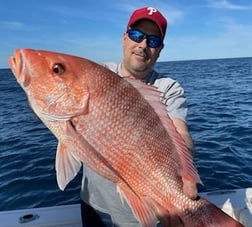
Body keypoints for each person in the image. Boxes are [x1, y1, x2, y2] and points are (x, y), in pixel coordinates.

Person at [80, 6, 196, 227]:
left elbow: (180, 131)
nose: (143, 45)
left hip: (146, 212)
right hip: (94, 207)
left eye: (152, 41)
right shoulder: (97, 75)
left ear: (160, 49)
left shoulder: (168, 88)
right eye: (136, 35)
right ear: (124, 38)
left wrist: (186, 173)